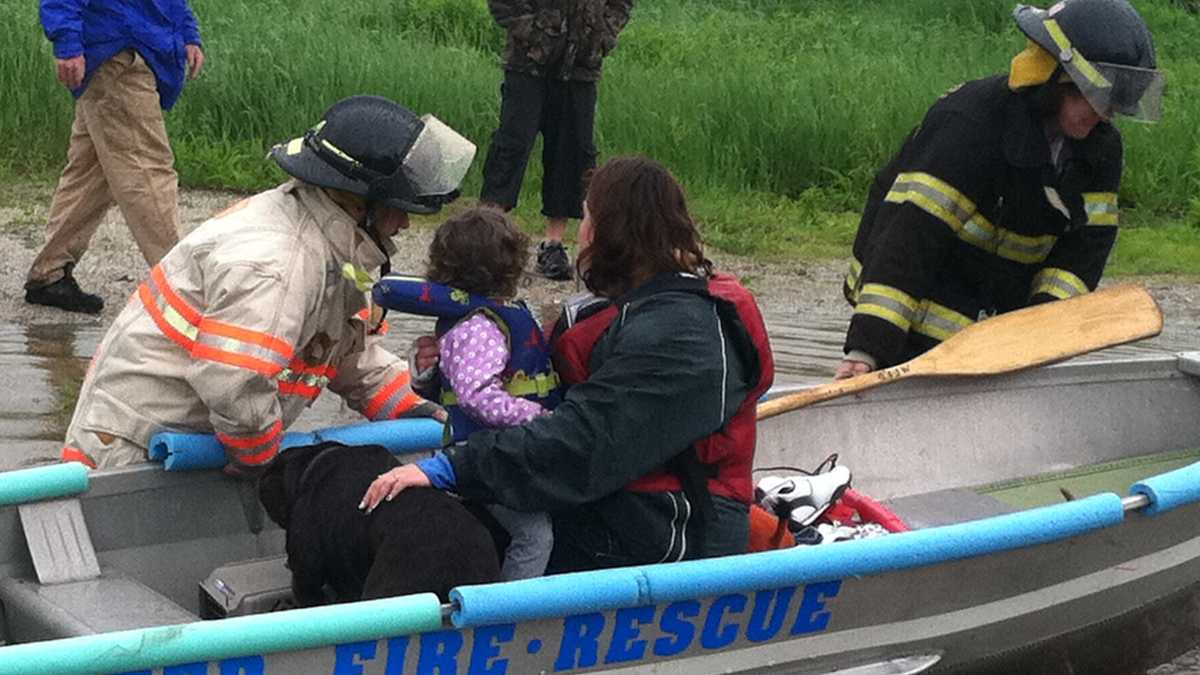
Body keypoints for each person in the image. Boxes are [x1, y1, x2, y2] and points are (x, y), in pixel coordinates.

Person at [362, 156, 775, 573]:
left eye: (586, 217)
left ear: (608, 231)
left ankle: (506, 612)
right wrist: (446, 373)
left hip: (664, 529)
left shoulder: (683, 335)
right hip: (603, 499)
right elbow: (541, 396)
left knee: (450, 543)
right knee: (423, 529)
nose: (581, 232)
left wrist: (454, 467)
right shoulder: (620, 305)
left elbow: (586, 441)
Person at [59, 95, 476, 475]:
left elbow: (343, 353)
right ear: (357, 201)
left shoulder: (335, 245)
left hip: (193, 441)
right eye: (397, 208)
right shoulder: (278, 262)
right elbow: (233, 380)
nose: (405, 224)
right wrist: (261, 461)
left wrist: (416, 407)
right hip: (134, 451)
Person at [835, 0, 1163, 379]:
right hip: (917, 298)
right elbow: (910, 238)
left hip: (994, 323)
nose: (1104, 115)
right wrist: (868, 350)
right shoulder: (971, 125)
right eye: (1096, 98)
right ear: (1055, 80)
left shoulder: (1100, 147)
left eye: (1114, 105)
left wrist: (1037, 332)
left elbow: (1084, 251)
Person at [373, 207, 562, 580]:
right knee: (535, 537)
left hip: (491, 452)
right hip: (486, 458)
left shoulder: (480, 319)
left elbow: (455, 386)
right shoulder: (481, 326)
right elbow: (475, 396)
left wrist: (425, 375)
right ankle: (511, 607)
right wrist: (541, 418)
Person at [26, 0, 207, 314]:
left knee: (91, 173)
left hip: (131, 48)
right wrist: (68, 44)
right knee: (146, 170)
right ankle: (183, 287)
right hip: (119, 56)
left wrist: (188, 33)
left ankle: (50, 273)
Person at [480, 0, 635, 281]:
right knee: (512, 146)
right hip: (528, 62)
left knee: (573, 150)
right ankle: (489, 237)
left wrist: (603, 33)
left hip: (581, 65)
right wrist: (532, 31)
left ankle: (553, 244)